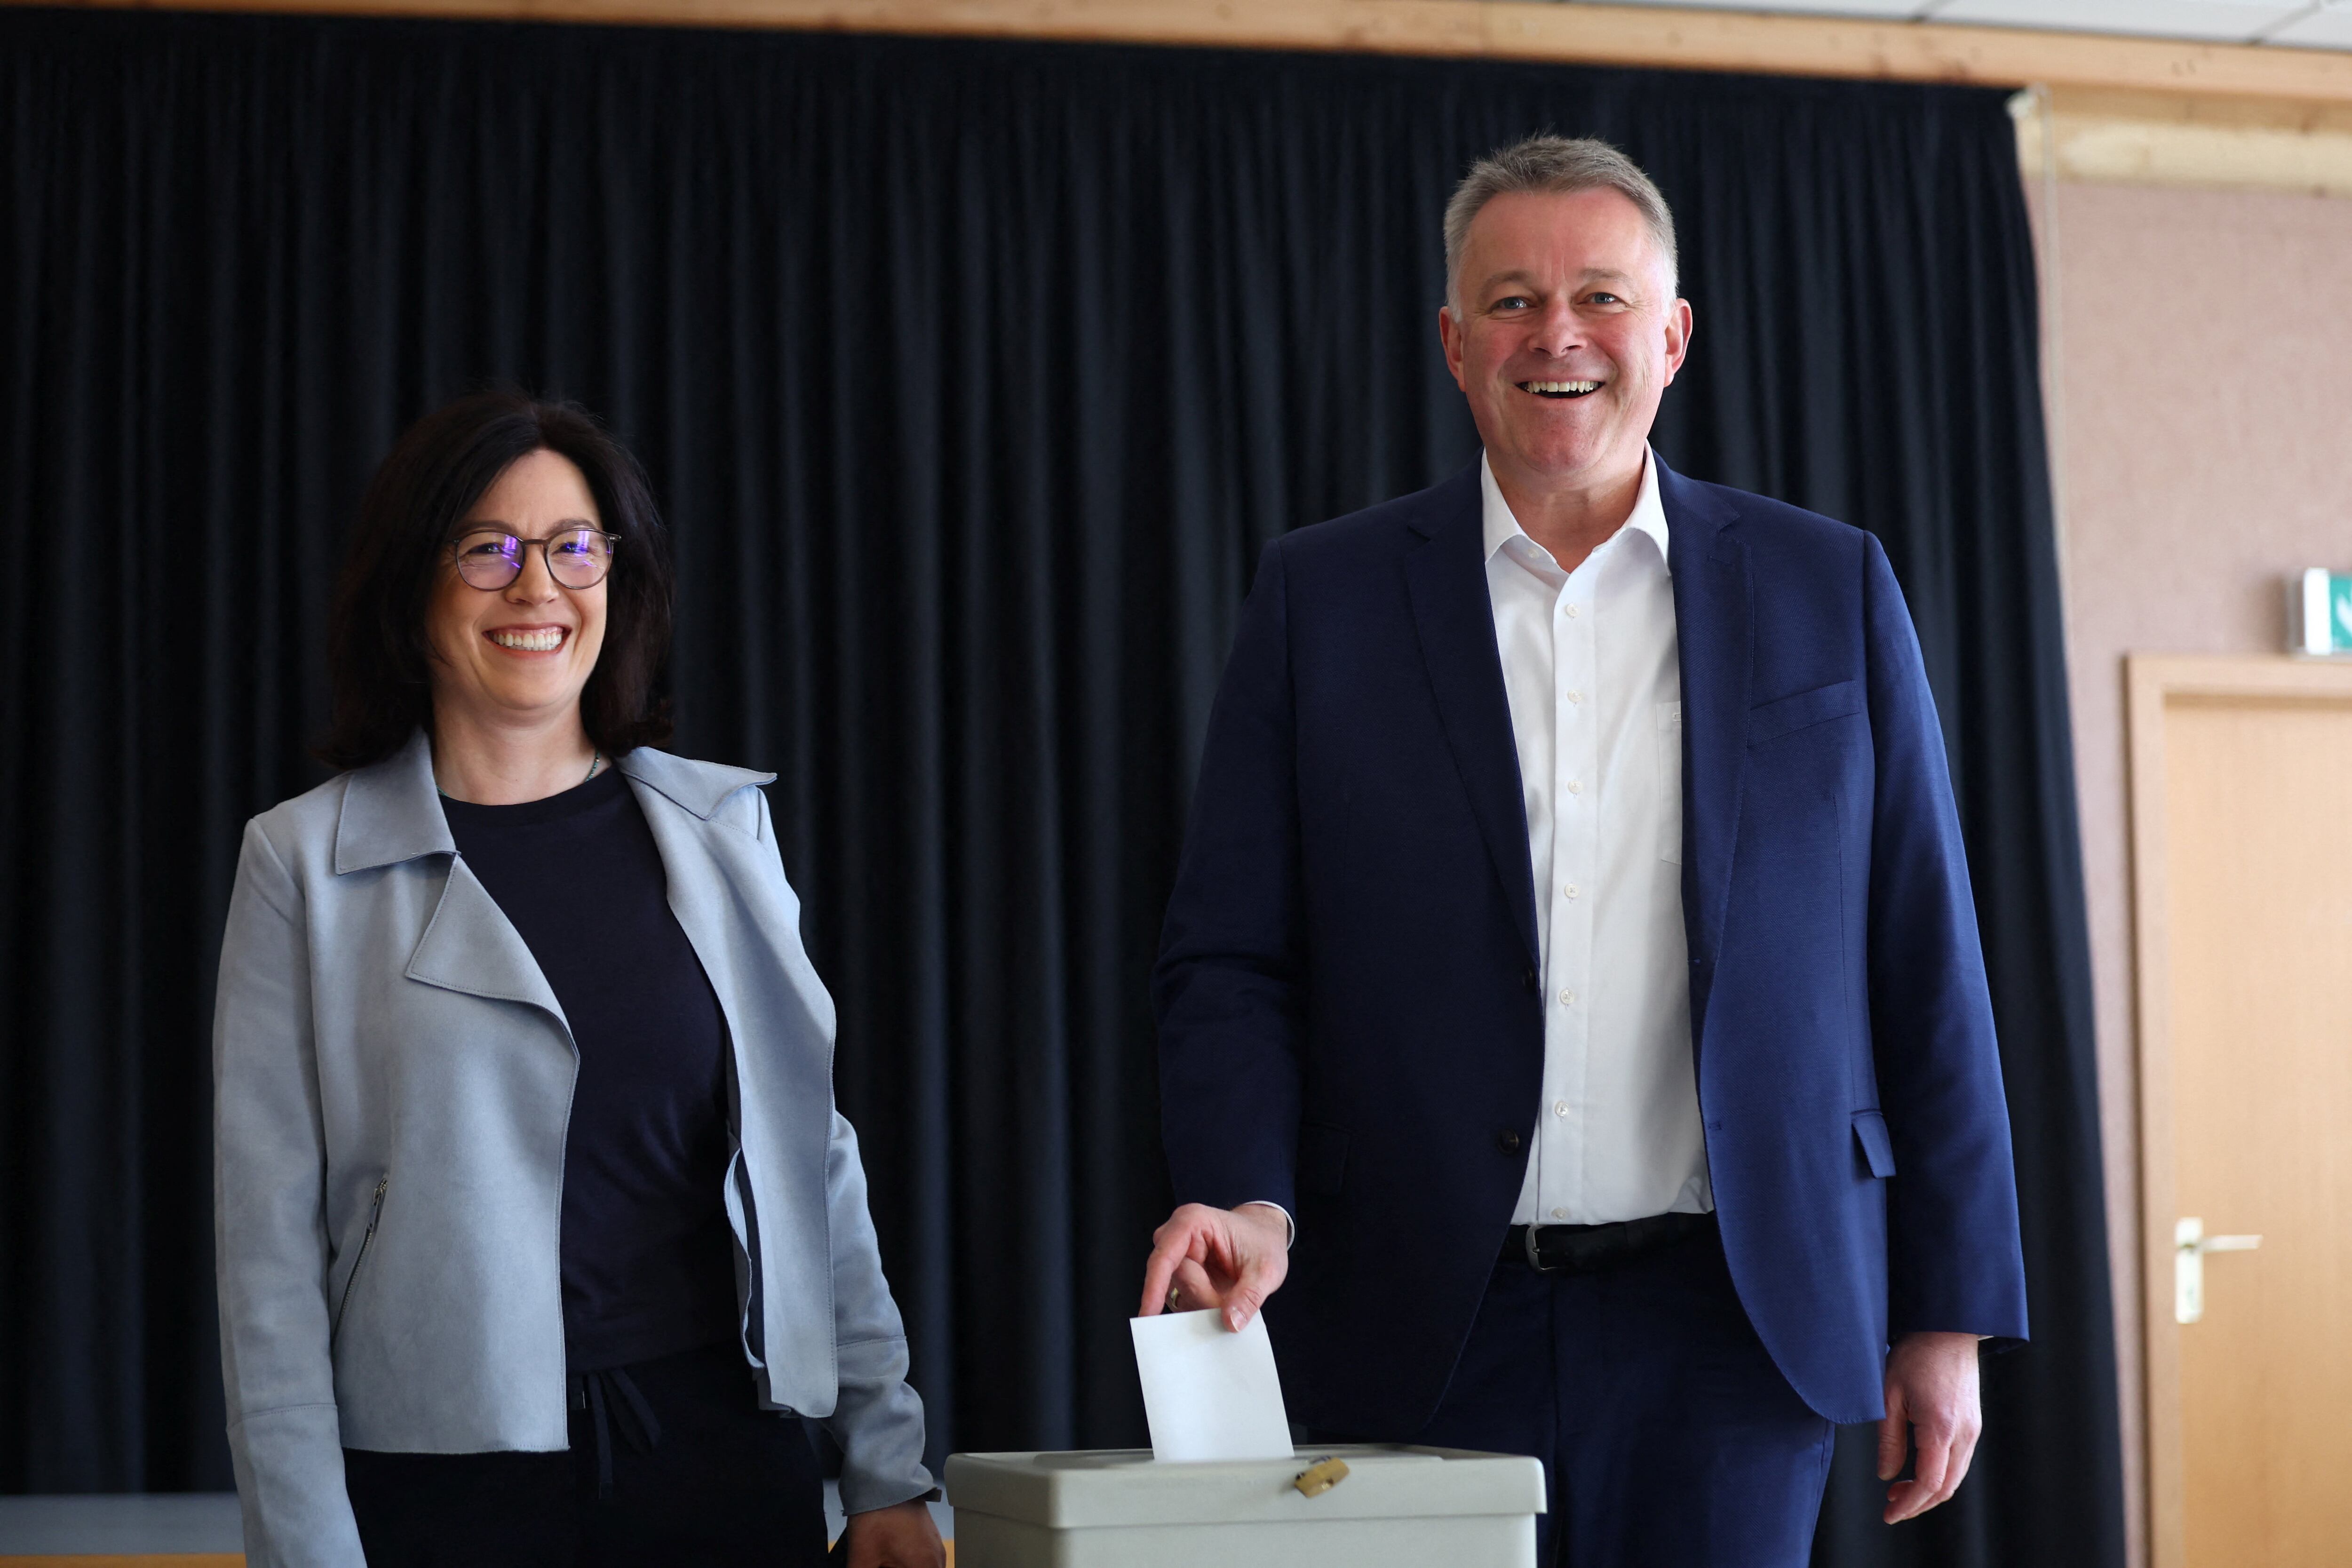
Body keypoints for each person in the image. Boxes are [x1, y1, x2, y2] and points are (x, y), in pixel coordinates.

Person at [1139, 136, 2028, 1566]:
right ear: (1454, 344)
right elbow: (1232, 955)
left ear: (1670, 337)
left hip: (1737, 1321)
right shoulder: (1325, 598)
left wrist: (1949, 1308)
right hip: (1418, 1312)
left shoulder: (1828, 585)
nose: (1557, 333)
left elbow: (1923, 950)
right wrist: (1252, 1190)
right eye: (1512, 300)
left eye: (1602, 297)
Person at [213, 391, 945, 1568]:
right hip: (438, 1491)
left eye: (572, 547)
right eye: (489, 549)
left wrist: (885, 1462)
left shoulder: (722, 830)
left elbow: (812, 1163)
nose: (537, 586)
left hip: (722, 1461)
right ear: (412, 583)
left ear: (619, 575)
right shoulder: (302, 863)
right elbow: (268, 1267)